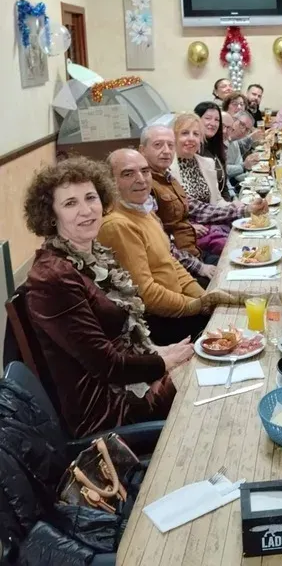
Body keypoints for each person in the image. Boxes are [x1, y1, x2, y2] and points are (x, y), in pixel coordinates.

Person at [23, 157, 193, 438]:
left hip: (130, 382)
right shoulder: (52, 278)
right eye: (70, 203)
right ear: (51, 216)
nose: (86, 210)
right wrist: (164, 362)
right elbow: (107, 365)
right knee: (207, 383)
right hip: (109, 410)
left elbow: (122, 339)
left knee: (214, 363)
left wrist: (158, 352)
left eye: (91, 197)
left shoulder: (92, 254)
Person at [99, 149, 215, 345]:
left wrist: (204, 298)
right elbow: (146, 295)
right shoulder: (117, 225)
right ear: (110, 181)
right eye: (128, 174)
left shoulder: (143, 210)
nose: (141, 179)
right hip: (156, 324)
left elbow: (171, 262)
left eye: (145, 171)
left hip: (178, 306)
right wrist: (196, 306)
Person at [169, 113, 262, 254]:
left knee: (254, 237)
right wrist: (241, 210)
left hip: (214, 224)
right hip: (190, 237)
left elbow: (217, 200)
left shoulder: (207, 163)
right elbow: (188, 210)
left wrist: (234, 205)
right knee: (240, 248)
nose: (191, 138)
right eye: (185, 133)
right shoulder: (167, 169)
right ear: (174, 137)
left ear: (201, 139)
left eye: (196, 134)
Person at [139, 125, 218, 283]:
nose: (166, 151)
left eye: (170, 145)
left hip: (194, 253)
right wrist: (200, 267)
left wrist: (245, 210)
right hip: (180, 270)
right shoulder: (144, 187)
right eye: (158, 145)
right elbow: (162, 244)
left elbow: (198, 208)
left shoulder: (168, 177)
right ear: (142, 150)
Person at [194, 101, 231, 201]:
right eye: (208, 118)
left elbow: (224, 187)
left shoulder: (216, 147)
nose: (213, 123)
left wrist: (230, 205)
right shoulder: (193, 151)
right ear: (196, 120)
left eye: (217, 120)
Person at [227, 110, 261, 183]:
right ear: (233, 120)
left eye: (247, 130)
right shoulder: (221, 139)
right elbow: (221, 170)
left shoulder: (235, 142)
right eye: (242, 125)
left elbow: (239, 174)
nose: (243, 131)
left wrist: (255, 176)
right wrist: (244, 166)